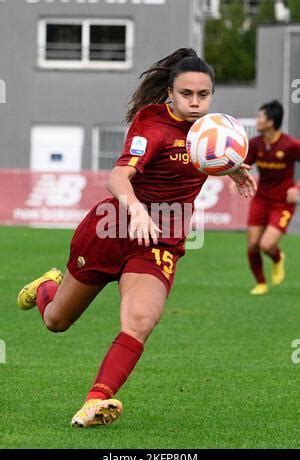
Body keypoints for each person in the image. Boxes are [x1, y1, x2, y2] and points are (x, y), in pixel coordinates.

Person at [17, 48, 256, 428]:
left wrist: (230, 168)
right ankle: (48, 285)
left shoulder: (211, 132)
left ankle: (95, 401)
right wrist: (138, 210)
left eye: (203, 95)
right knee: (56, 321)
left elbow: (197, 158)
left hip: (159, 241)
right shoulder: (151, 125)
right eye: (186, 94)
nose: (195, 102)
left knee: (142, 318)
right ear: (170, 93)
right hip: (111, 230)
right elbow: (118, 178)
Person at [243, 100, 300, 295]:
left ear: (271, 121)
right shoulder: (255, 144)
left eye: (260, 117)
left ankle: (277, 258)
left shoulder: (290, 145)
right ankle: (260, 283)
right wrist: (238, 178)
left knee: (266, 245)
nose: (257, 120)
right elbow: (244, 165)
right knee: (252, 245)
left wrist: (297, 187)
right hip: (260, 199)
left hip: (282, 203)